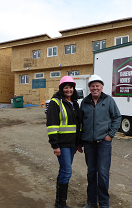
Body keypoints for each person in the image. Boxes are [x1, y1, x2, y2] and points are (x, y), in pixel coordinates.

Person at [78, 74, 122, 208]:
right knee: (91, 172)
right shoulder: (84, 103)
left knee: (102, 173)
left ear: (101, 87)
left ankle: (103, 203)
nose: (95, 88)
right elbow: (80, 123)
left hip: (103, 143)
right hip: (88, 144)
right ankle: (91, 202)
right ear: (89, 88)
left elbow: (117, 117)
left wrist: (110, 135)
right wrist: (79, 141)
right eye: (92, 86)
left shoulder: (108, 100)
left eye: (97, 86)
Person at [46, 76, 82, 208]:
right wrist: (55, 145)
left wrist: (78, 142)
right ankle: (61, 204)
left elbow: (78, 124)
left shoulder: (74, 103)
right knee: (67, 171)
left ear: (73, 88)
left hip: (72, 144)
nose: (69, 90)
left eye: (70, 87)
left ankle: (59, 203)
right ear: (61, 88)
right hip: (62, 144)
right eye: (66, 87)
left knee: (64, 171)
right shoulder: (56, 102)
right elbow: (52, 125)